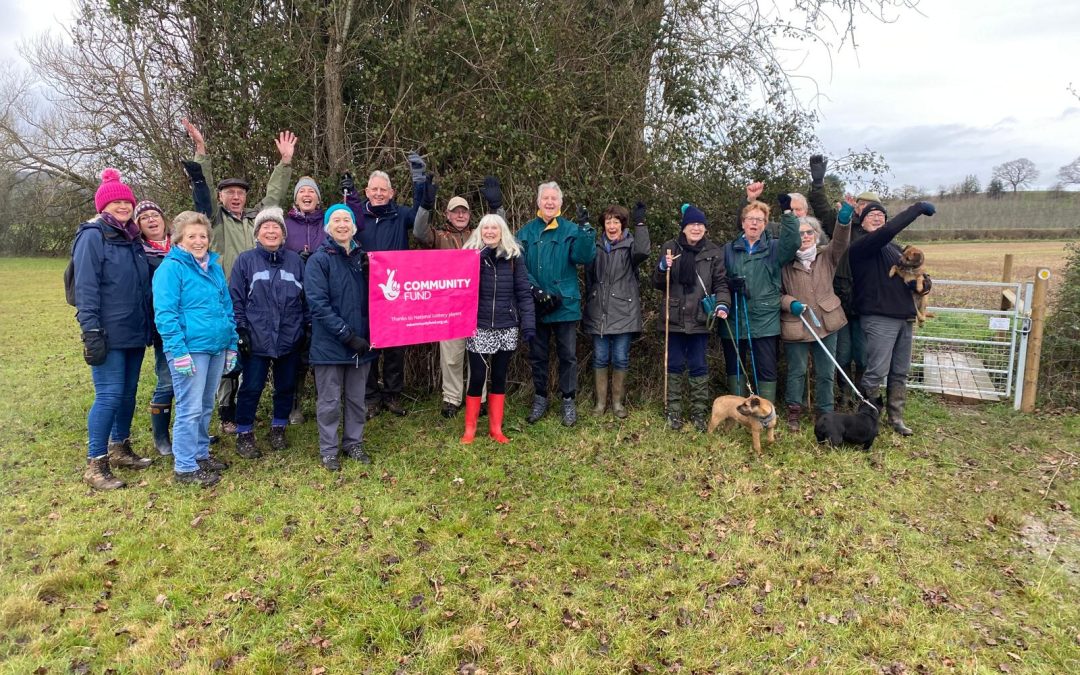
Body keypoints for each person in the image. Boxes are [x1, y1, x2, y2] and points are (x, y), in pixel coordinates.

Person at [180, 117, 295, 434]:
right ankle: (227, 412)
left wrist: (285, 162)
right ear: (221, 197)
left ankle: (247, 411)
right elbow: (201, 193)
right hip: (223, 299)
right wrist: (201, 152)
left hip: (256, 302)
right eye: (229, 192)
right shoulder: (214, 221)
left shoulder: (254, 221)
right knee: (227, 359)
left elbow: (273, 199)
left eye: (240, 193)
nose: (235, 197)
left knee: (248, 359)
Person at [72, 169, 154, 490]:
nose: (122, 205)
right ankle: (96, 463)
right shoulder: (93, 236)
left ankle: (120, 447)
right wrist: (90, 331)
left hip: (134, 330)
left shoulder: (131, 237)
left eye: (126, 200)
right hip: (107, 332)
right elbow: (86, 289)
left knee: (128, 394)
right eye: (116, 201)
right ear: (103, 205)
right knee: (109, 395)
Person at [153, 211, 238, 487]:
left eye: (203, 236)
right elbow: (165, 314)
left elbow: (226, 307)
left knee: (204, 405)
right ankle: (185, 467)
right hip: (190, 349)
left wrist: (231, 343)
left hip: (215, 347)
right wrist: (178, 352)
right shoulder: (171, 268)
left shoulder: (212, 267)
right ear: (179, 239)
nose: (198, 241)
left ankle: (200, 454)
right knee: (189, 408)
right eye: (192, 236)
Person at [343, 154, 430, 418]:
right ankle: (370, 397)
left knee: (394, 346)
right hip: (364, 289)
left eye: (384, 190)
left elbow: (420, 218)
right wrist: (349, 195)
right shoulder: (357, 217)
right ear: (367, 191)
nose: (379, 194)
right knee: (368, 344)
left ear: (391, 193)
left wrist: (420, 182)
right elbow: (343, 232)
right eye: (375, 190)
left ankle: (392, 395)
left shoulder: (400, 213)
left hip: (395, 292)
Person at [414, 176, 506, 417]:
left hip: (478, 305)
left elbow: (500, 231)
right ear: (447, 214)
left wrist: (497, 208)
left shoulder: (479, 234)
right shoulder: (439, 237)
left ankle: (481, 397)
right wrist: (425, 205)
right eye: (456, 212)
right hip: (449, 307)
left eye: (464, 211)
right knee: (452, 358)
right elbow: (419, 231)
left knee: (480, 355)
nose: (461, 215)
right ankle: (451, 399)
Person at [848, 199, 936, 436]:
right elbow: (886, 233)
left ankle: (896, 417)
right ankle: (867, 416)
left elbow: (918, 272)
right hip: (879, 317)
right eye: (871, 214)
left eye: (881, 214)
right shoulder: (861, 246)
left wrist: (925, 285)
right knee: (876, 371)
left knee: (900, 371)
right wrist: (916, 209)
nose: (877, 218)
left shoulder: (896, 250)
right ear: (861, 221)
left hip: (905, 317)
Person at [229, 207, 308, 458]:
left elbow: (306, 299)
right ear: (257, 233)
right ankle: (244, 432)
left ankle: (278, 428)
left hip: (289, 337)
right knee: (251, 387)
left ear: (284, 234)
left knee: (285, 387)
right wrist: (241, 330)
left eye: (276, 227)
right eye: (266, 227)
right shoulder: (245, 260)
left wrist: (304, 329)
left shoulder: (296, 261)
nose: (271, 231)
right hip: (256, 337)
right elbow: (236, 299)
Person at [305, 203, 377, 471]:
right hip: (331, 345)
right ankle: (329, 449)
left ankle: (353, 443)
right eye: (336, 220)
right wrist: (347, 336)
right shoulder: (319, 260)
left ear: (354, 226)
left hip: (362, 343)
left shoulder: (364, 259)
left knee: (357, 398)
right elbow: (318, 304)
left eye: (346, 220)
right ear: (328, 226)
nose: (342, 224)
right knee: (329, 401)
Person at [518, 181, 596, 426]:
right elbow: (517, 264)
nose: (549, 202)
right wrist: (534, 288)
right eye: (545, 198)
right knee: (538, 355)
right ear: (538, 202)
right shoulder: (526, 232)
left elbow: (583, 257)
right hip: (536, 304)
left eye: (554, 198)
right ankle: (540, 398)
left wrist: (585, 231)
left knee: (567, 356)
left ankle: (568, 401)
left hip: (565, 304)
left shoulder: (571, 229)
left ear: (561, 203)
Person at [807, 155, 880, 408]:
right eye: (861, 203)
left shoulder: (878, 235)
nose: (863, 208)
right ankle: (844, 396)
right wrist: (818, 182)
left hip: (865, 305)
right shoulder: (843, 225)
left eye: (869, 206)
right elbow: (821, 207)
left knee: (863, 356)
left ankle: (862, 396)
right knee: (843, 353)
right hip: (839, 301)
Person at [654, 204, 731, 431]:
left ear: (705, 228)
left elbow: (721, 283)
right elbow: (657, 283)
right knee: (674, 364)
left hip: (700, 318)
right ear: (684, 227)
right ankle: (673, 411)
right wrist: (661, 267)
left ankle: (699, 412)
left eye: (700, 225)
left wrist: (723, 304)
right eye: (692, 224)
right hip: (674, 317)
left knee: (698, 365)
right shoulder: (670, 248)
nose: (696, 228)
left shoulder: (713, 252)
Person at [460, 214, 536, 443]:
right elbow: (460, 285)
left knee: (500, 376)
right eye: (486, 228)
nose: (490, 232)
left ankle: (496, 428)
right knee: (477, 377)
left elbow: (523, 292)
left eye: (495, 228)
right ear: (480, 231)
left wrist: (528, 324)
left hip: (506, 326)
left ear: (502, 231)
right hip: (479, 325)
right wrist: (477, 259)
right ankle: (470, 429)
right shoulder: (471, 255)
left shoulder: (514, 257)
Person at [779, 202, 853, 432]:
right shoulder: (784, 263)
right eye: (800, 233)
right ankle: (794, 412)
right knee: (797, 370)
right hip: (797, 324)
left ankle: (825, 412)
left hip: (826, 322)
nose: (806, 236)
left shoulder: (827, 256)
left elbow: (840, 241)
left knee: (826, 371)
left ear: (817, 235)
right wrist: (790, 303)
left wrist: (843, 221)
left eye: (810, 232)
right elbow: (776, 293)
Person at [721, 196, 800, 407]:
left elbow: (793, 242)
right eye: (750, 219)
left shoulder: (775, 248)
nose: (754, 223)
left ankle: (765, 412)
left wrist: (788, 214)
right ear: (743, 222)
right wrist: (730, 284)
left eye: (759, 220)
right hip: (734, 317)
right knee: (735, 366)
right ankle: (738, 412)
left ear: (765, 225)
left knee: (766, 367)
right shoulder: (728, 249)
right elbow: (717, 278)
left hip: (765, 319)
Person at [583, 202, 650, 418]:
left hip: (624, 312)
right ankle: (600, 404)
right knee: (600, 358)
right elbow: (589, 278)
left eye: (616, 221)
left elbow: (643, 251)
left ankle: (618, 404)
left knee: (620, 358)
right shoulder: (596, 246)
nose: (612, 225)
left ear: (622, 224)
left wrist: (641, 224)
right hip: (599, 312)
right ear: (603, 225)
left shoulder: (631, 245)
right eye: (608, 221)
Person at [283, 176, 325, 425]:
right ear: (296, 197)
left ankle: (325, 400)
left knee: (320, 350)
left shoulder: (327, 222)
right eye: (302, 192)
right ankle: (294, 404)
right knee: (296, 353)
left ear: (318, 198)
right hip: (292, 298)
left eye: (312, 191)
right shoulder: (286, 224)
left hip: (321, 296)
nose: (307, 195)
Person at [134, 200, 175, 456]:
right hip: (163, 325)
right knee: (167, 380)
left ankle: (188, 429)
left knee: (192, 382)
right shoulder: (139, 252)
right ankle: (161, 437)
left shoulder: (181, 245)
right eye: (144, 217)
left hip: (192, 325)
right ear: (138, 225)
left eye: (155, 215)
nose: (151, 220)